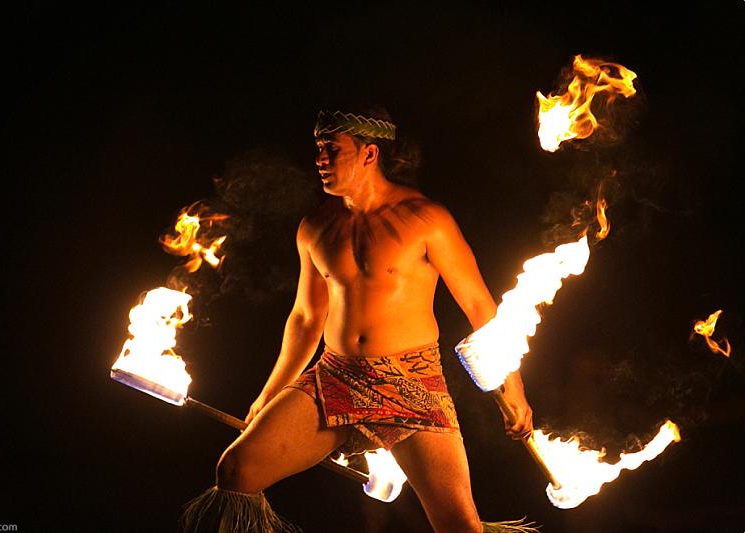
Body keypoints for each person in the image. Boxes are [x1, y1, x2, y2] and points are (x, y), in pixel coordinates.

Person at [183, 107, 535, 533]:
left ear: (369, 154)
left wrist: (512, 386)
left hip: (411, 383)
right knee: (236, 470)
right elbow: (306, 318)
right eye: (318, 149)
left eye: (332, 150)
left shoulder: (425, 219)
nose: (321, 159)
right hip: (335, 378)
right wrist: (269, 395)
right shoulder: (315, 226)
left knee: (459, 525)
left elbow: (479, 306)